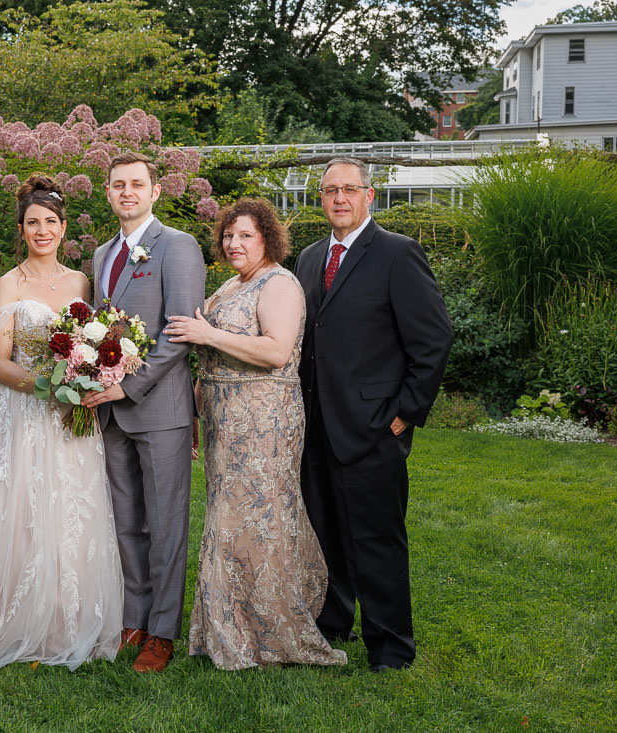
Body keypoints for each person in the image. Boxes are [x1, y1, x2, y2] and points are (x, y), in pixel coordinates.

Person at [0, 174, 122, 672]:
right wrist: (51, 388)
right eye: (32, 223)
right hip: (22, 413)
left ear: (63, 227)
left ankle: (62, 624)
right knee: (17, 515)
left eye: (50, 222)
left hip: (71, 419)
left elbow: (95, 347)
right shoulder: (7, 285)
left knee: (69, 514)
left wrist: (90, 378)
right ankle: (3, 622)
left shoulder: (81, 282)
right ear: (20, 229)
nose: (41, 230)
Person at [164, 198, 347, 671]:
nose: (234, 243)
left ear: (267, 238)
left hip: (265, 419)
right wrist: (200, 407)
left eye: (245, 235)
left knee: (260, 515)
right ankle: (229, 628)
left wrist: (207, 336)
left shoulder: (279, 283)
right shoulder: (229, 286)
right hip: (225, 420)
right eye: (228, 235)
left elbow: (276, 351)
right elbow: (211, 359)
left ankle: (272, 632)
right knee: (228, 518)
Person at [292, 158, 452, 672]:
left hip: (375, 427)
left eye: (349, 189)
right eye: (330, 190)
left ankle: (390, 648)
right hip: (317, 426)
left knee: (377, 542)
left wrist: (406, 412)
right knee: (327, 535)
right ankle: (333, 622)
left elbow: (433, 340)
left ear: (370, 195)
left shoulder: (397, 254)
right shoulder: (310, 258)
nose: (339, 198)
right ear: (321, 199)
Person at [81, 152, 206, 673]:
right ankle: (133, 616)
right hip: (110, 414)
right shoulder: (102, 254)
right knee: (126, 521)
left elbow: (178, 334)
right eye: (117, 185)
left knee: (166, 524)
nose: (126, 192)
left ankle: (162, 631)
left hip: (159, 410)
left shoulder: (177, 246)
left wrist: (124, 388)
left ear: (156, 192)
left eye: (137, 184)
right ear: (107, 193)